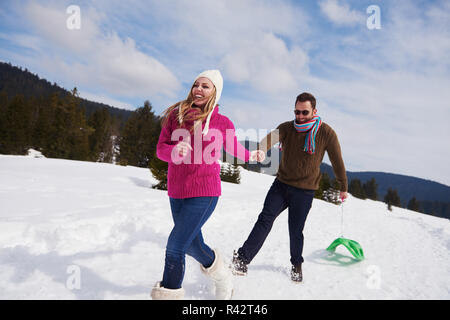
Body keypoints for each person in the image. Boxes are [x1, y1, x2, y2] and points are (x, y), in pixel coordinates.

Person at [151, 70, 264, 300]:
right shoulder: (177, 115)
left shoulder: (222, 122)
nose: (198, 89)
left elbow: (234, 148)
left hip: (205, 192)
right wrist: (173, 150)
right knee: (192, 246)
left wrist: (252, 156)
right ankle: (222, 275)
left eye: (205, 86)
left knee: (175, 246)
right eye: (196, 84)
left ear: (215, 92)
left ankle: (168, 295)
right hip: (177, 191)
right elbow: (160, 148)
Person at [231, 92, 348, 283]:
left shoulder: (326, 133)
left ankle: (296, 264)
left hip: (305, 190)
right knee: (265, 219)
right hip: (281, 185)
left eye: (305, 112)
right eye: (297, 112)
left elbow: (337, 161)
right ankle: (242, 259)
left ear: (314, 111)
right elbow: (270, 138)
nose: (300, 116)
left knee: (295, 230)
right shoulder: (286, 127)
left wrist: (343, 186)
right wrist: (261, 148)